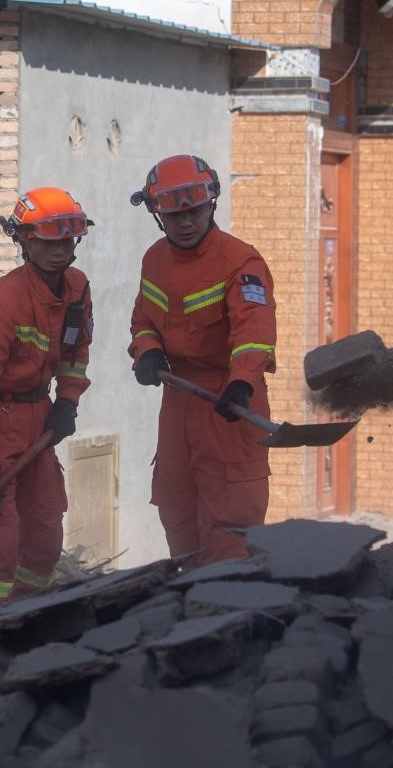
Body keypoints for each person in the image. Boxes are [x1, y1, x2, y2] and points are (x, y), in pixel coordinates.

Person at [127, 154, 278, 566]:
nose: (186, 222)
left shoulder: (240, 262)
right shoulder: (154, 260)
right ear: (159, 216)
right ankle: (186, 599)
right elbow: (144, 319)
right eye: (174, 215)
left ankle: (227, 606)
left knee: (231, 519)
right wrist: (147, 350)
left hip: (230, 401)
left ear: (211, 204)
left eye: (194, 211)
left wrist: (242, 382)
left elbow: (254, 330)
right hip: (180, 400)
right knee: (176, 506)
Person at [0, 187, 94, 611]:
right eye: (48, 242)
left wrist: (67, 401)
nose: (59, 251)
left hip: (39, 416)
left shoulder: (77, 287)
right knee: (0, 544)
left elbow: (75, 352)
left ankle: (31, 619)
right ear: (24, 242)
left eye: (66, 241)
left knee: (44, 536)